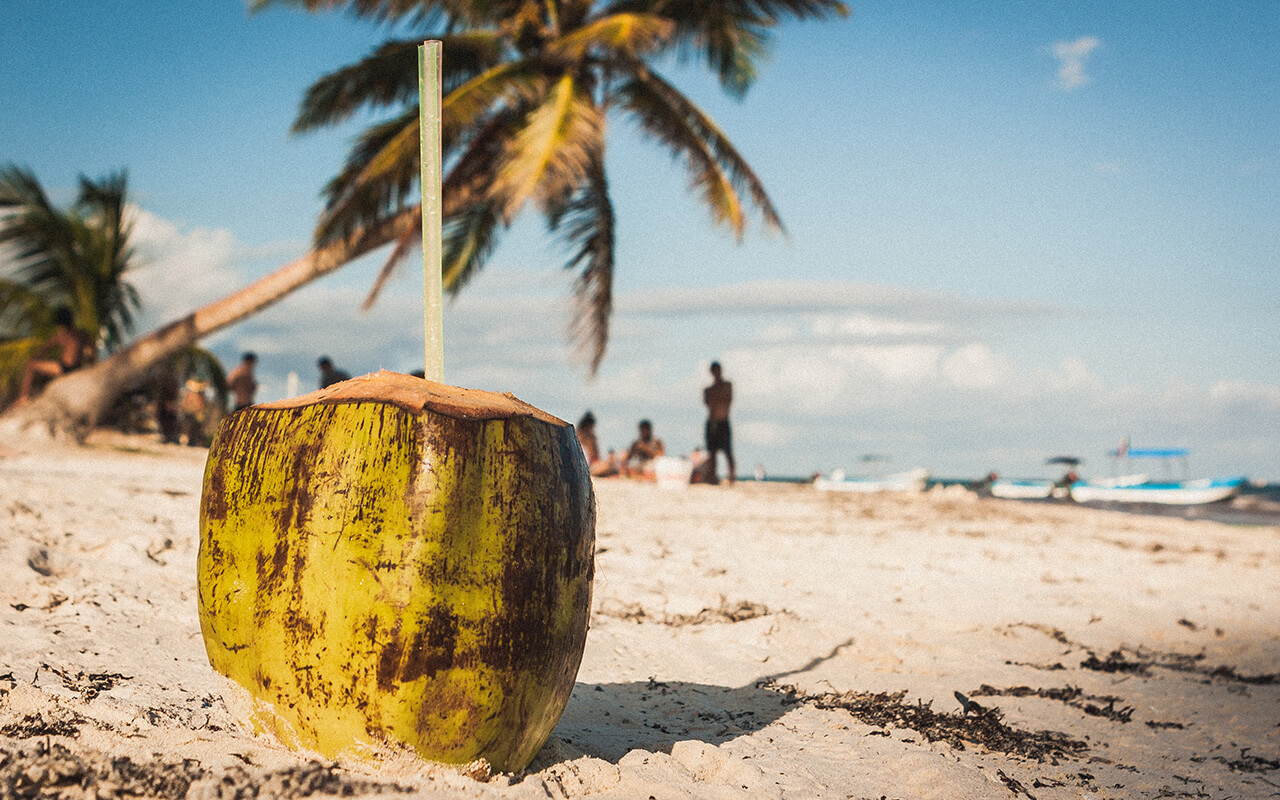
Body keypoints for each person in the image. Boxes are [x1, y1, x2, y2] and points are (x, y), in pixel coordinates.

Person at [15, 306, 95, 405]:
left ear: (60, 322)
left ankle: (23, 397)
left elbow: (43, 350)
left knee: (30, 365)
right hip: (78, 367)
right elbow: (92, 350)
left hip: (65, 368)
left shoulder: (60, 335)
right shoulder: (82, 333)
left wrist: (32, 358)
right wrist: (90, 365)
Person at [703, 361, 735, 484]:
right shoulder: (709, 389)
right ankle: (713, 476)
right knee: (712, 452)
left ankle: (731, 476)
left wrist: (716, 398)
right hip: (712, 421)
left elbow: (726, 399)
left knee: (727, 450)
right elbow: (708, 402)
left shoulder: (726, 386)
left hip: (723, 421)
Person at [576, 412, 618, 477]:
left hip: (593, 463)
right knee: (609, 466)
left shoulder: (590, 437)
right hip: (589, 465)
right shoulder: (580, 436)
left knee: (612, 464)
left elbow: (596, 456)